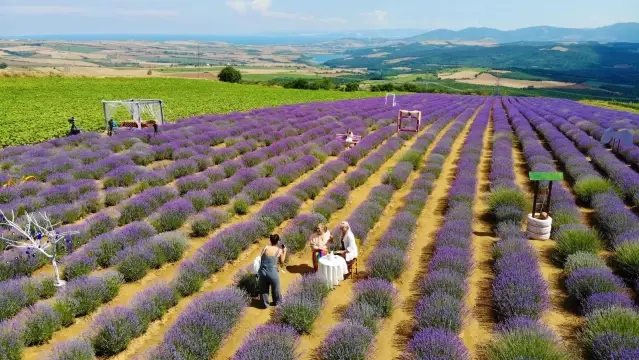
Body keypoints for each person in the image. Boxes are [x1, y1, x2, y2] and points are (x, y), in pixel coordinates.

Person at [258, 234, 287, 308]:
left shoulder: (265, 248)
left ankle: (264, 304)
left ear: (270, 241)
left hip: (263, 272)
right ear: (277, 242)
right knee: (276, 289)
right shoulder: (279, 250)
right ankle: (277, 303)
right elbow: (282, 262)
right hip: (272, 273)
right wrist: (285, 251)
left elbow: (261, 258)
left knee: (263, 290)